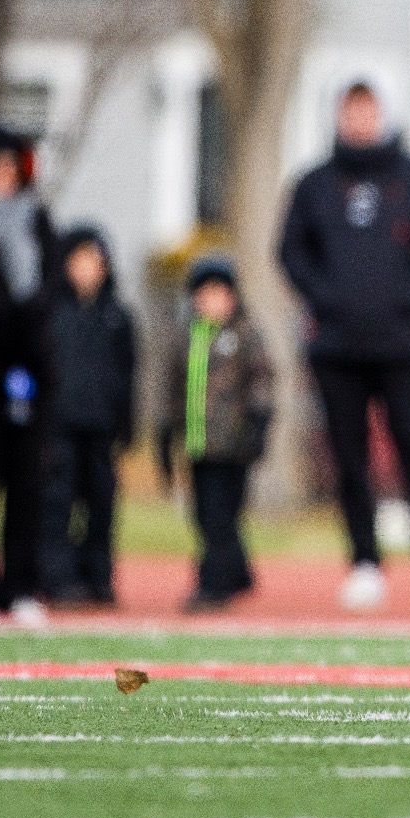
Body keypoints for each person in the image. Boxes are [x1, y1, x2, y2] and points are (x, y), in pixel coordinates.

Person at [279, 80, 410, 612]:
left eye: (368, 111)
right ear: (339, 116)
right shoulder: (313, 185)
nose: (359, 122)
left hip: (403, 344)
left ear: (382, 115)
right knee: (348, 459)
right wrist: (325, 300)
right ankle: (364, 563)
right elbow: (290, 251)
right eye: (351, 112)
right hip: (335, 347)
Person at [156, 257, 273, 613]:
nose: (212, 302)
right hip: (197, 443)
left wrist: (258, 427)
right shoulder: (186, 338)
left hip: (232, 446)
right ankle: (236, 572)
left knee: (222, 514)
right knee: (206, 513)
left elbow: (262, 382)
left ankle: (214, 582)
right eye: (204, 294)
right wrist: (165, 433)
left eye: (219, 293)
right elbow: (173, 390)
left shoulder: (245, 335)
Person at [41, 225, 138, 606]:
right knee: (57, 502)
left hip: (101, 426)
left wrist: (125, 422)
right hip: (59, 425)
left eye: (95, 262)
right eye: (80, 261)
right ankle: (57, 579)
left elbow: (128, 373)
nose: (88, 269)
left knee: (101, 502)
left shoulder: (117, 316)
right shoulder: (51, 312)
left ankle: (97, 577)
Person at [0, 126, 56, 627]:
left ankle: (21, 586)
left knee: (26, 482)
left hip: (26, 370)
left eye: (11, 168)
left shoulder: (37, 222)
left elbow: (48, 293)